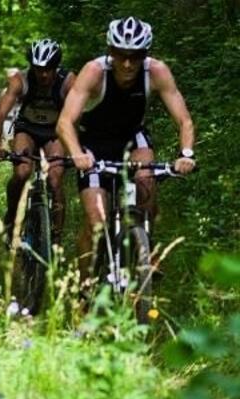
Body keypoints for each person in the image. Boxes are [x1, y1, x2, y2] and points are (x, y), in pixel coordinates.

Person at [56, 16, 196, 283]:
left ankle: (147, 249)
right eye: (121, 56)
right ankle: (83, 291)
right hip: (92, 144)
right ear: (111, 52)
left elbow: (184, 120)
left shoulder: (157, 72)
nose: (128, 63)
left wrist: (186, 154)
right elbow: (64, 122)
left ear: (145, 54)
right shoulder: (94, 72)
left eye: (136, 56)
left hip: (132, 138)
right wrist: (76, 153)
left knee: (147, 184)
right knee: (96, 222)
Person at [0, 39, 76, 245]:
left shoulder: (68, 81)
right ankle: (11, 216)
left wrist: (76, 148)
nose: (44, 75)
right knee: (22, 172)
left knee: (55, 178)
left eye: (48, 70)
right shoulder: (20, 80)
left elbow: (76, 116)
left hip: (55, 131)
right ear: (32, 67)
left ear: (56, 67)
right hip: (27, 128)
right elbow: (0, 113)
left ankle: (55, 238)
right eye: (39, 69)